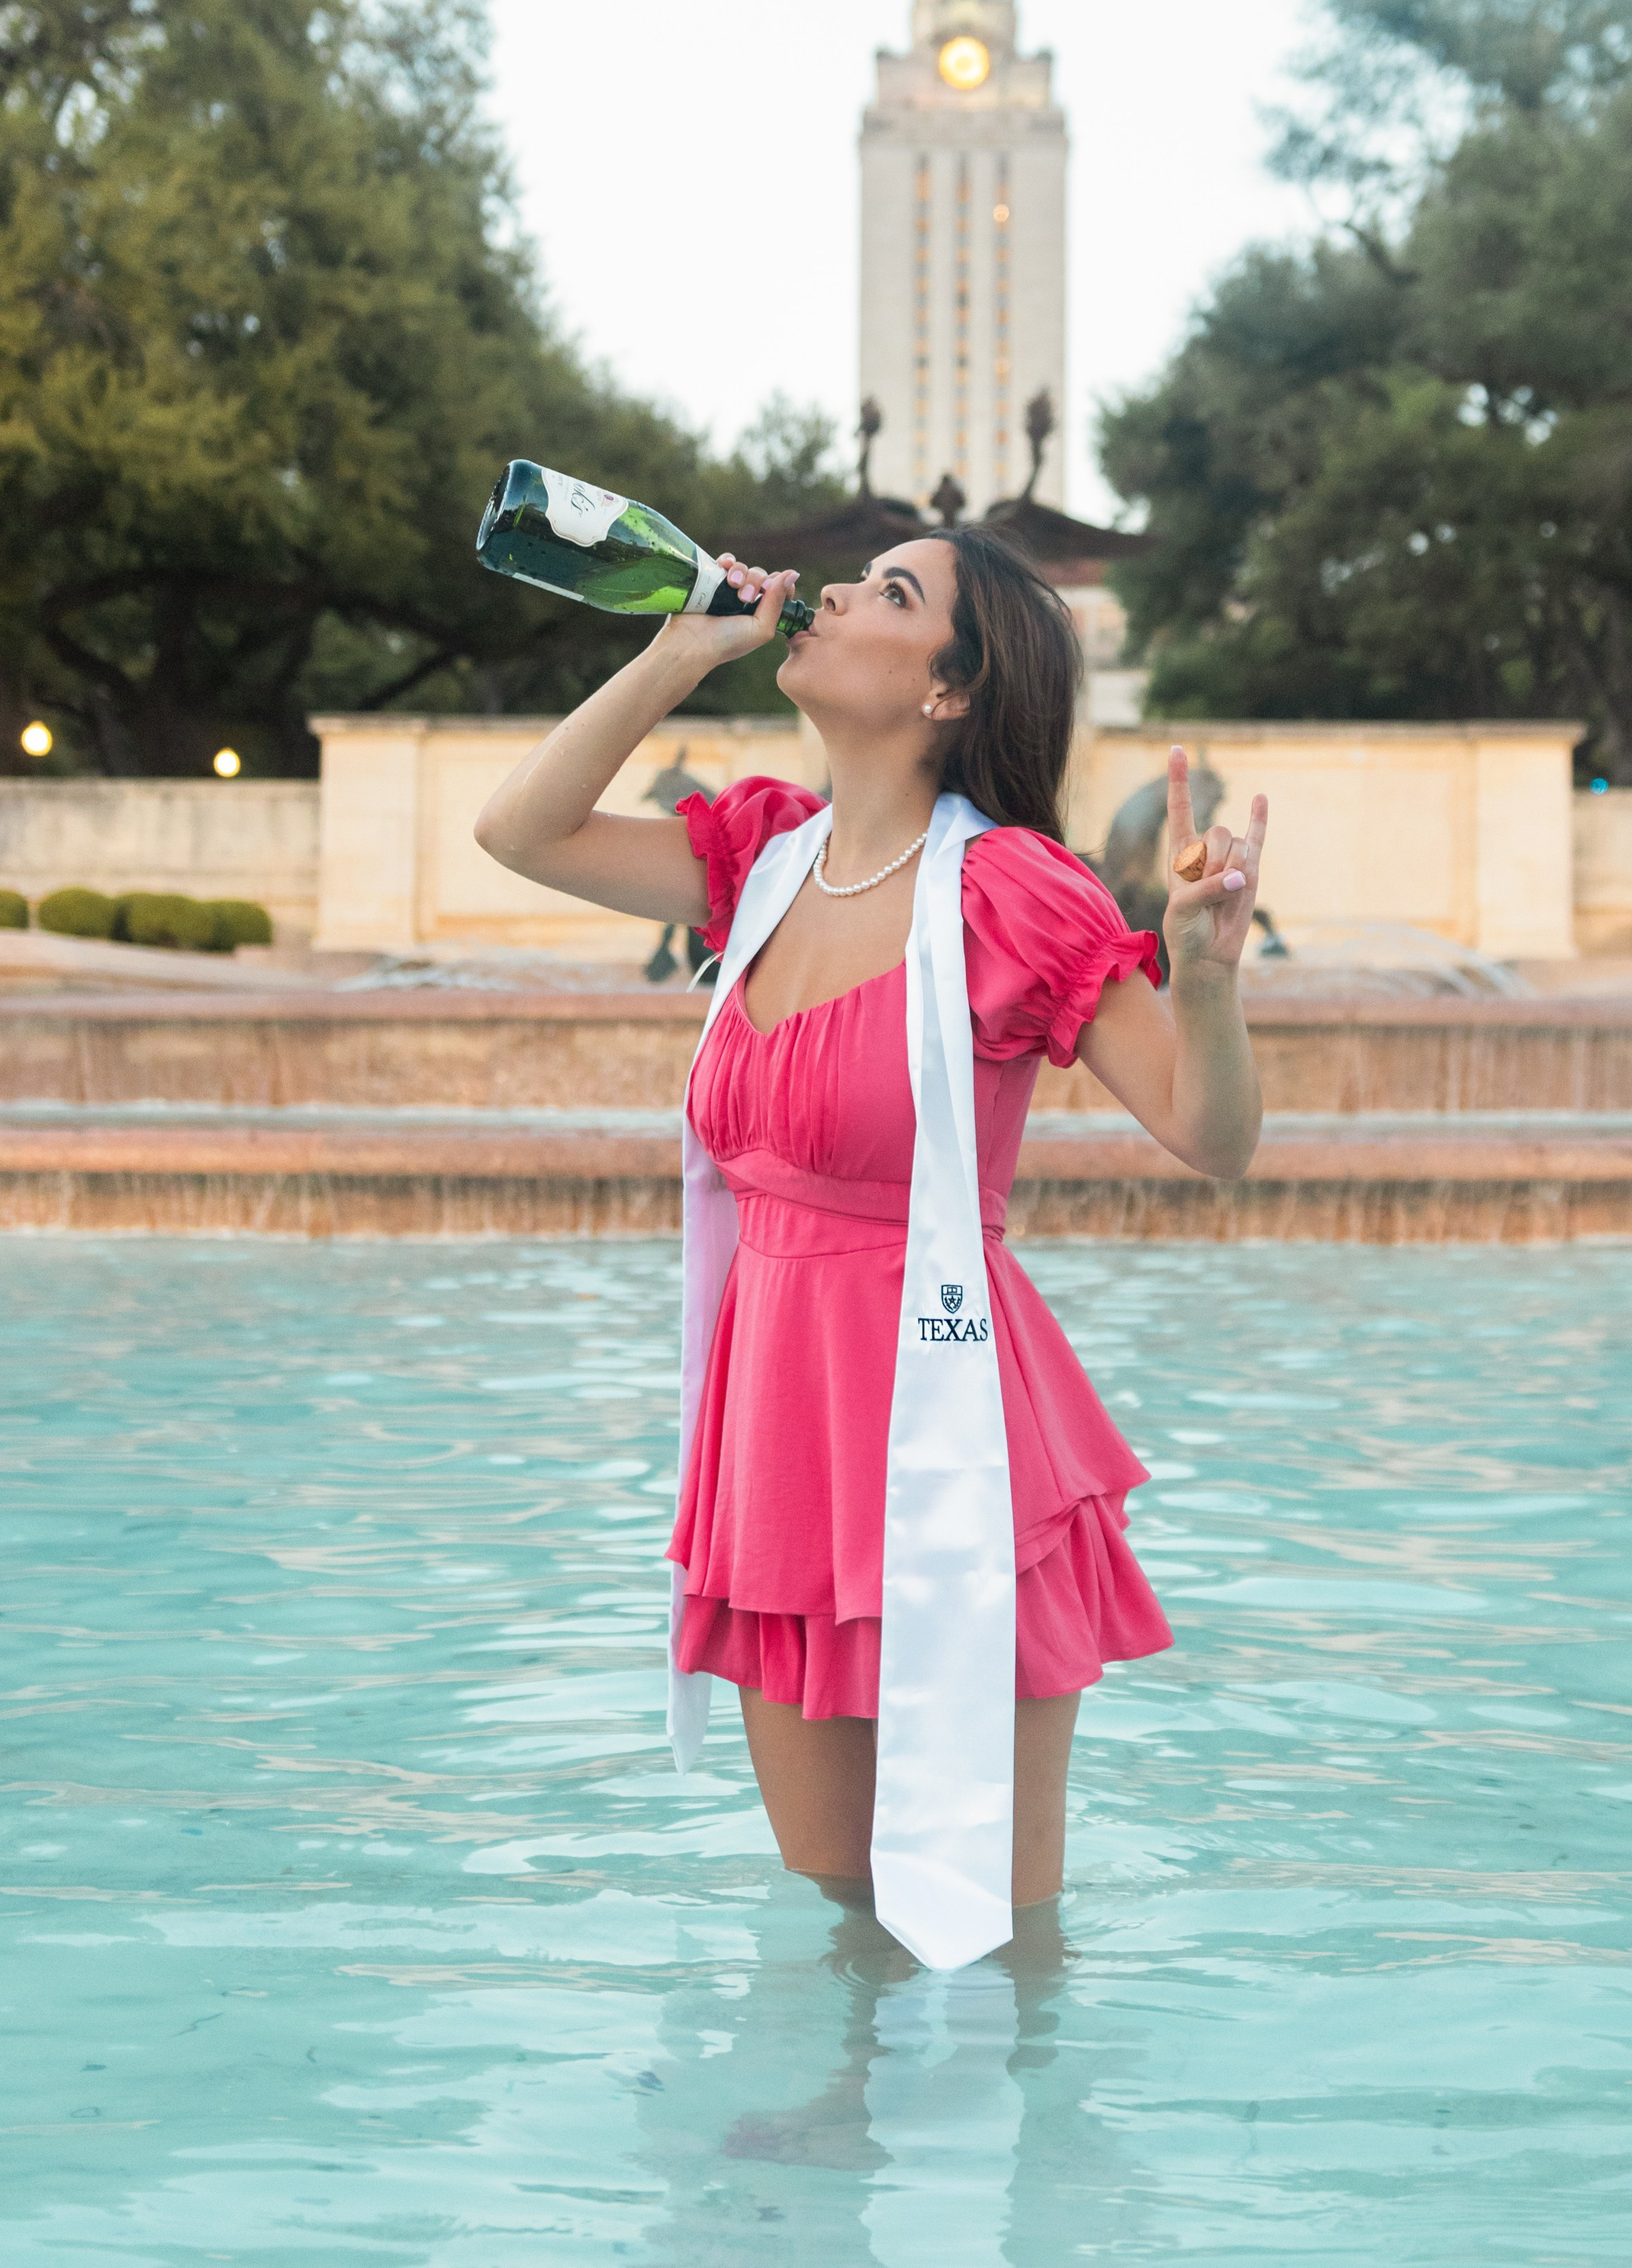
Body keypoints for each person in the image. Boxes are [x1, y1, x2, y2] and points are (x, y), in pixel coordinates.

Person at [474, 527, 1267, 1937]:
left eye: (891, 593)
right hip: (780, 1447)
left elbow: (1212, 1140)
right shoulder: (764, 864)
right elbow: (520, 833)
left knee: (987, 1933)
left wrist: (1202, 973)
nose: (833, 593)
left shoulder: (1012, 891)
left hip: (953, 1429)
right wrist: (675, 655)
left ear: (952, 689)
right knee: (847, 1917)